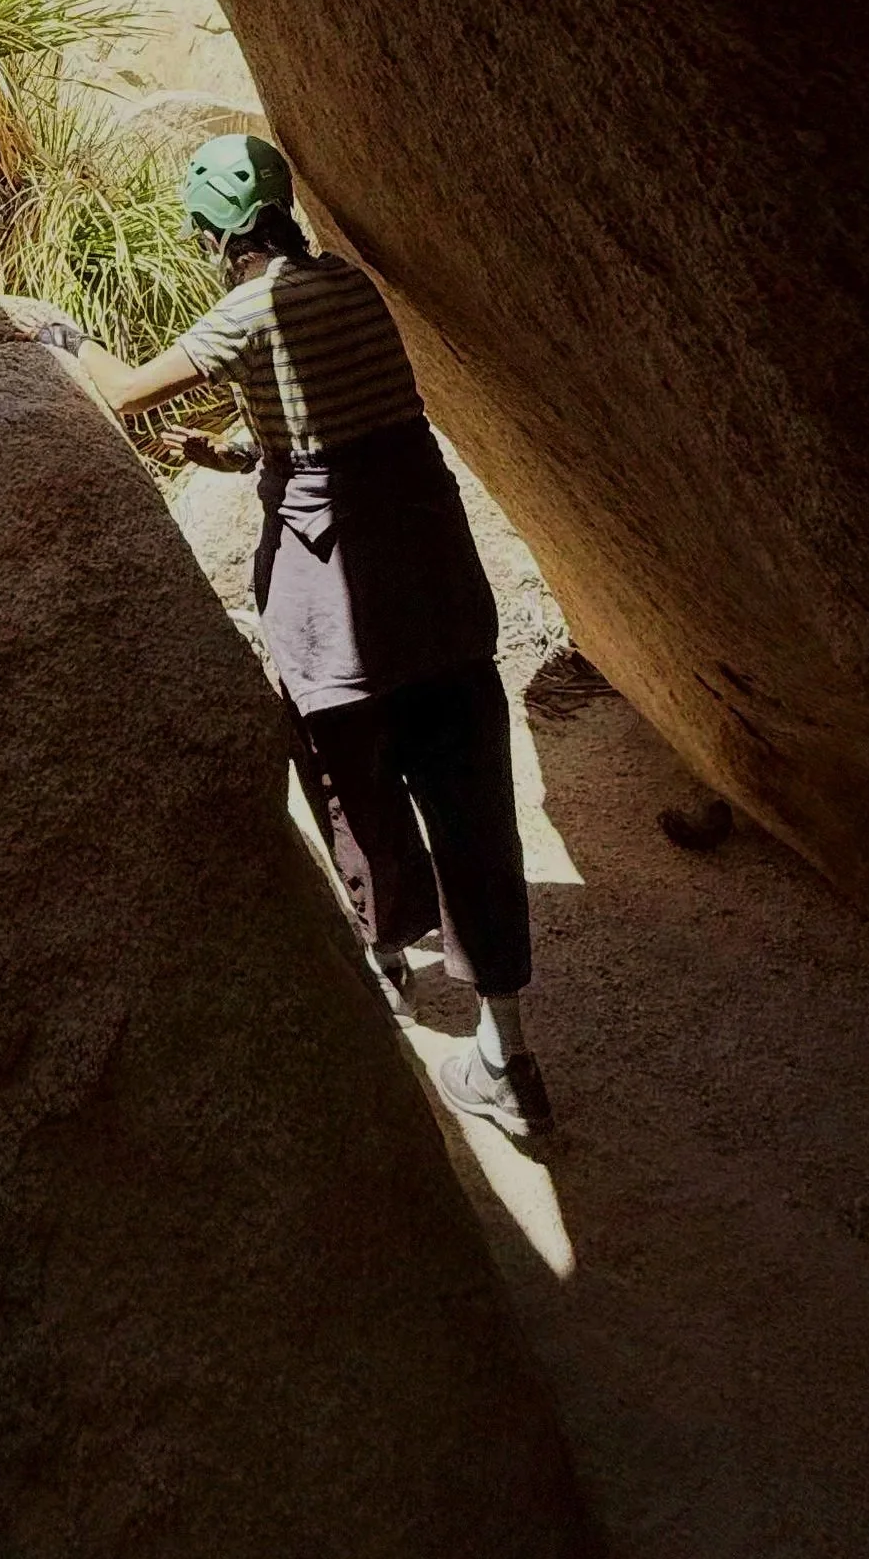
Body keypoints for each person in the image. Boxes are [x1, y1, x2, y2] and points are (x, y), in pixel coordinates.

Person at [61, 134, 552, 1140]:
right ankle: (504, 1048)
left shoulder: (245, 310)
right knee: (469, 793)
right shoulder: (353, 288)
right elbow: (345, 423)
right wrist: (237, 451)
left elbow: (117, 392)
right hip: (435, 575)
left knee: (346, 774)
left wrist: (61, 339)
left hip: (342, 600)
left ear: (209, 234)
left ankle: (385, 961)